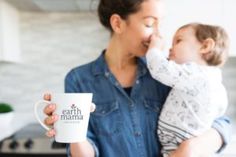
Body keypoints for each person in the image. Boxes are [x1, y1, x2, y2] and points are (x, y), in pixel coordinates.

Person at [43, 0, 231, 157]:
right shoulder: (79, 79)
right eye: (150, 24)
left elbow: (221, 123)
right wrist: (72, 131)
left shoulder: (165, 72)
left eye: (160, 24)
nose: (158, 34)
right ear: (118, 24)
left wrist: (191, 147)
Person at [146, 23, 229, 157]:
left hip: (180, 146)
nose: (170, 48)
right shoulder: (214, 81)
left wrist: (154, 48)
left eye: (178, 41)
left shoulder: (196, 74)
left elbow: (159, 69)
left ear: (205, 46)